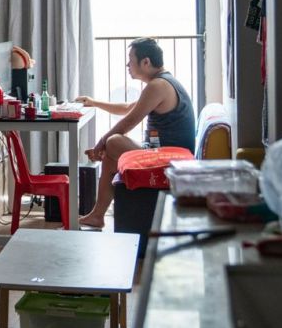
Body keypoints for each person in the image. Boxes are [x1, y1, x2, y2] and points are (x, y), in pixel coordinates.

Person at [74, 37, 195, 229]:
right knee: (110, 155)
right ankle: (97, 215)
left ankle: (98, 214)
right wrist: (94, 102)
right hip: (162, 151)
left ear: (145, 62)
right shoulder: (161, 83)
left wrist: (100, 145)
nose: (127, 65)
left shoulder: (158, 86)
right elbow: (128, 108)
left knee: (113, 142)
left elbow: (129, 122)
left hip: (169, 158)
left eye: (130, 59)